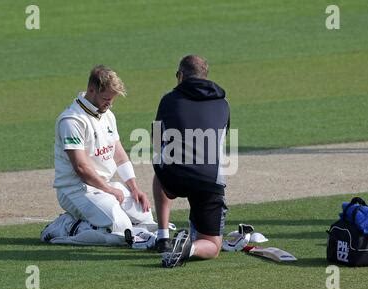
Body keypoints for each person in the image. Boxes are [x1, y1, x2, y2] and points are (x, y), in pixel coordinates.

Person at [41, 65, 157, 248]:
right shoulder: (71, 121)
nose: (109, 104)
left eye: (112, 100)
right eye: (106, 99)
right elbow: (81, 168)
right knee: (121, 230)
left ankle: (93, 223)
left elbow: (119, 154)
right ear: (91, 90)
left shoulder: (107, 115)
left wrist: (134, 188)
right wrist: (110, 191)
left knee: (146, 219)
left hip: (104, 186)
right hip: (76, 190)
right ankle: (68, 226)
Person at [152, 55, 230, 267]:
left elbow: (157, 139)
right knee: (212, 245)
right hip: (208, 181)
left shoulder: (168, 100)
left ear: (181, 76)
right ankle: (191, 247)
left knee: (160, 167)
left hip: (173, 177)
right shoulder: (223, 103)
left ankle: (163, 235)